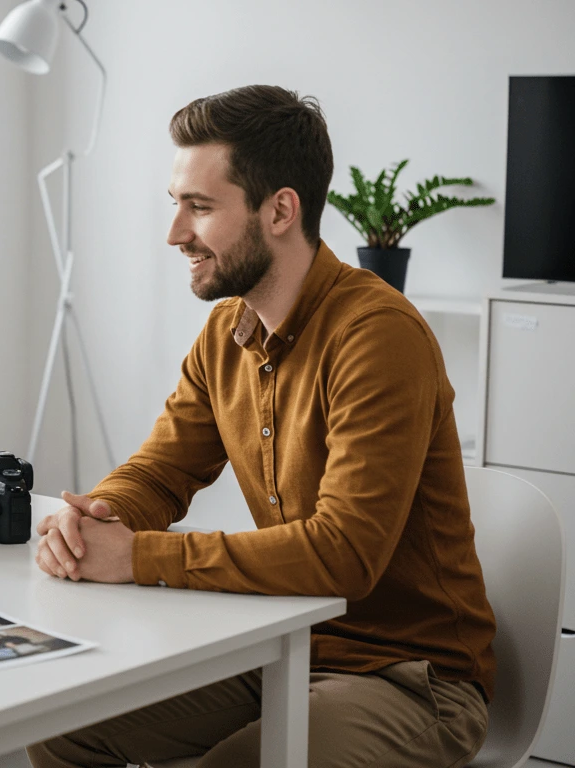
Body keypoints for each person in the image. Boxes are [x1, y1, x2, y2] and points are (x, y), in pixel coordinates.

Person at [28, 85, 496, 768]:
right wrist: (92, 522)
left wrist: (136, 557)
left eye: (199, 207)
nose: (175, 233)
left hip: (411, 678)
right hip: (281, 647)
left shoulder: (378, 335)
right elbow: (161, 471)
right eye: (175, 204)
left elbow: (344, 554)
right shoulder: (227, 331)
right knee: (61, 724)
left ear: (279, 210)